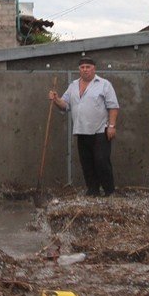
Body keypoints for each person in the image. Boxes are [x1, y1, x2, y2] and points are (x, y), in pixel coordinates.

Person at [49, 56, 119, 196]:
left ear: (94, 69)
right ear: (79, 69)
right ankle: (93, 190)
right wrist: (56, 99)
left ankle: (109, 191)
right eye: (82, 67)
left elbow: (113, 106)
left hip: (100, 130)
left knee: (101, 161)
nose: (85, 69)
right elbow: (65, 105)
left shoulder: (104, 84)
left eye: (88, 67)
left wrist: (112, 125)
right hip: (81, 130)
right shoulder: (73, 85)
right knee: (86, 162)